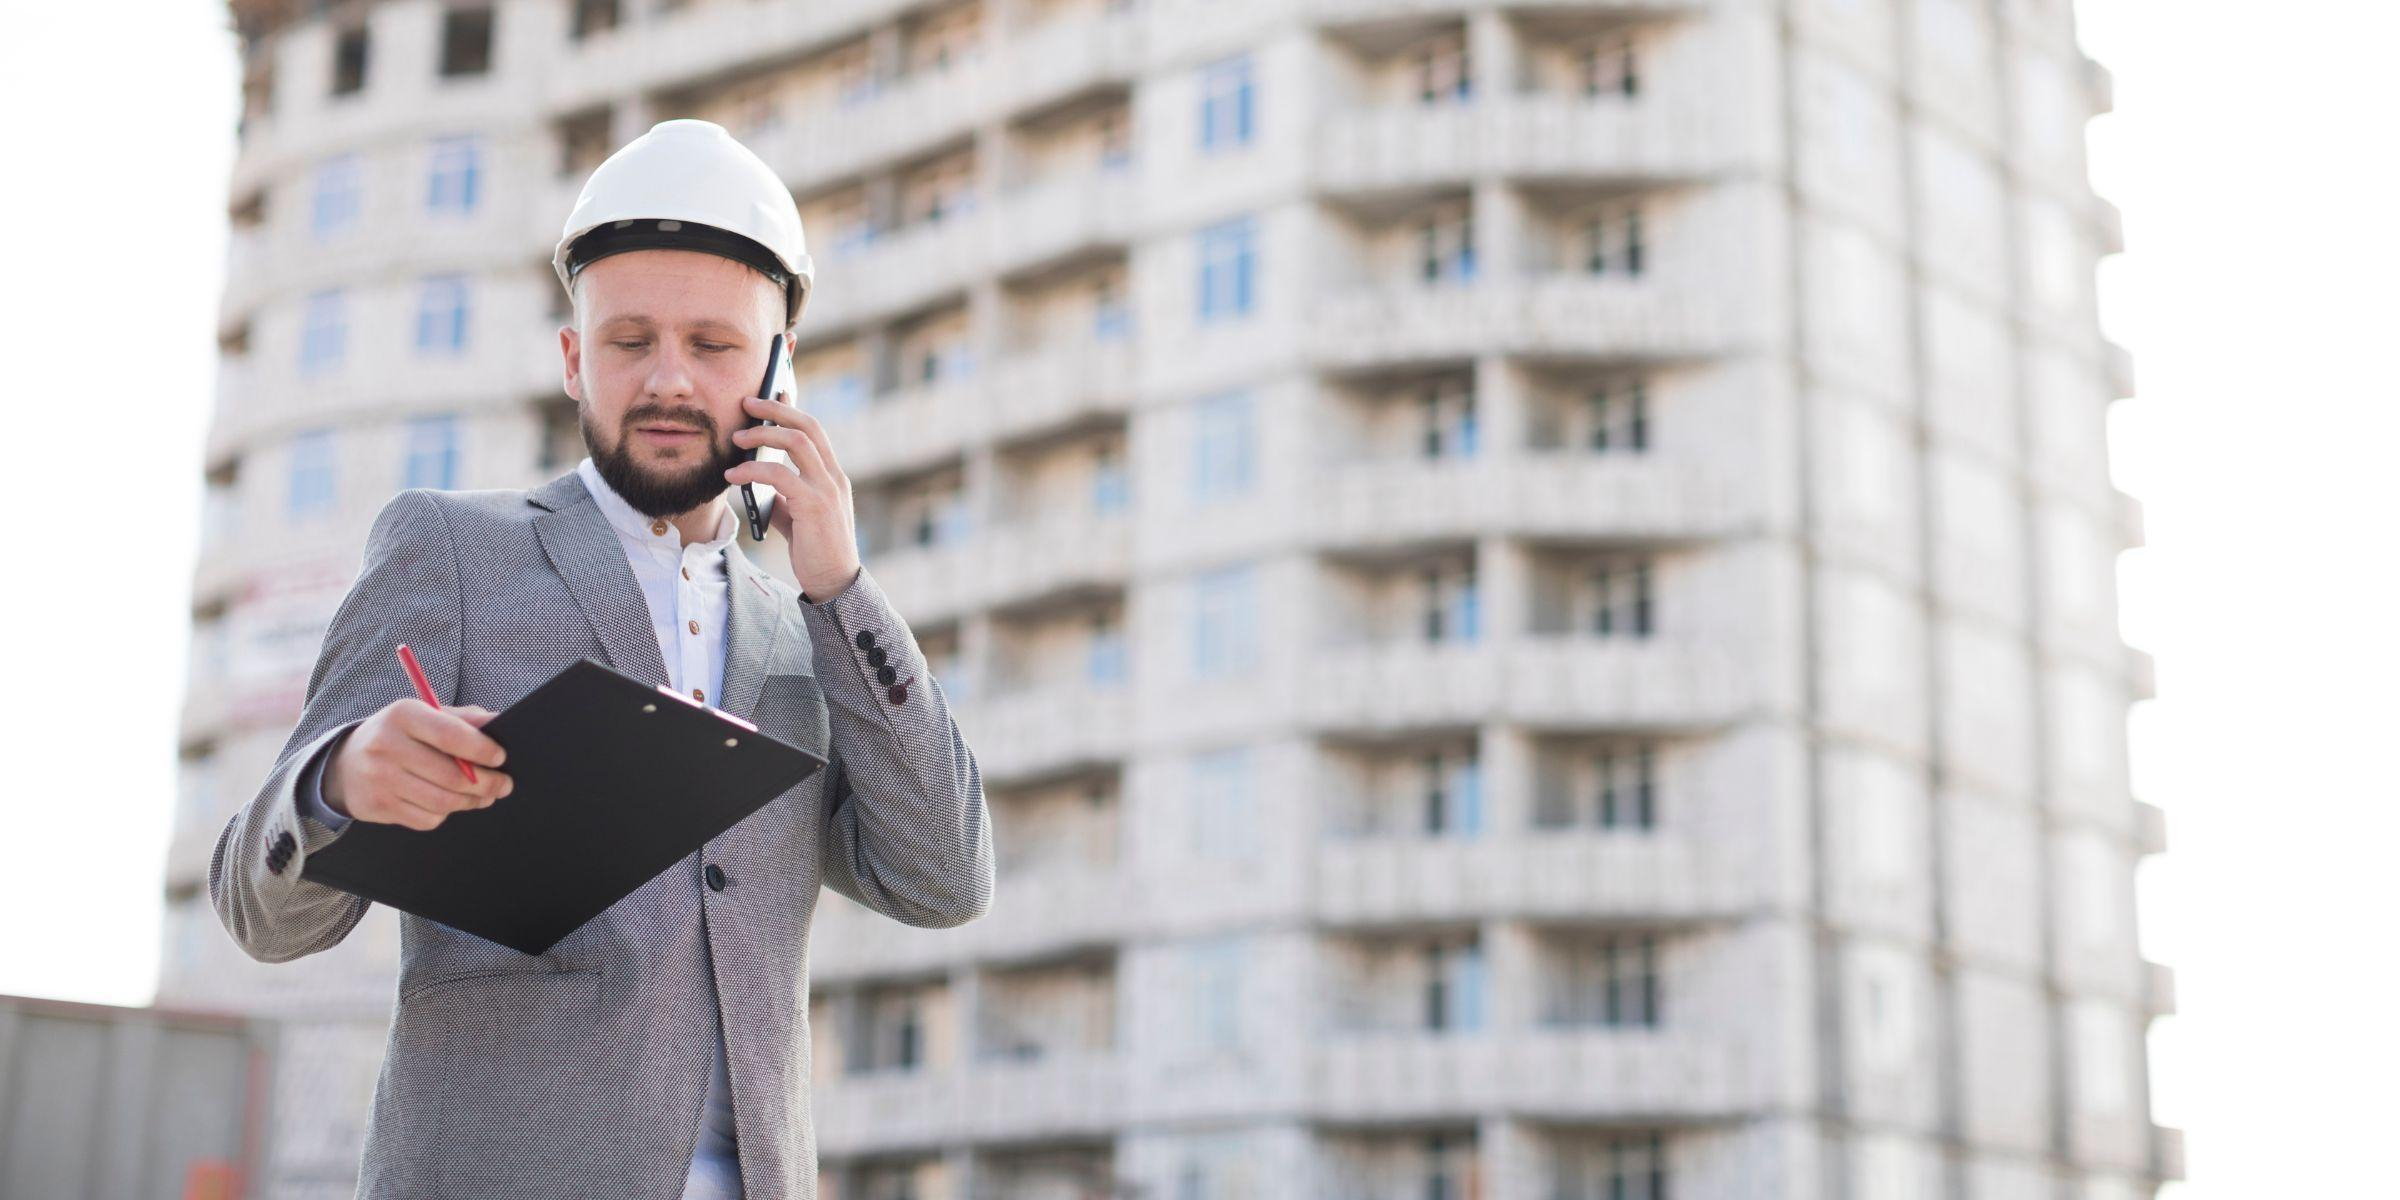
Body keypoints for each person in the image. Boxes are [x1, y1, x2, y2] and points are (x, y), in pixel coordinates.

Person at [207, 119, 995, 1200]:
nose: (668, 379)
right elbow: (263, 914)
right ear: (576, 359)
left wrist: (842, 588)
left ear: (777, 373)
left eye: (713, 346)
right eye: (630, 341)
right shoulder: (449, 551)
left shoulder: (811, 635)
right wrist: (338, 781)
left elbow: (945, 881)